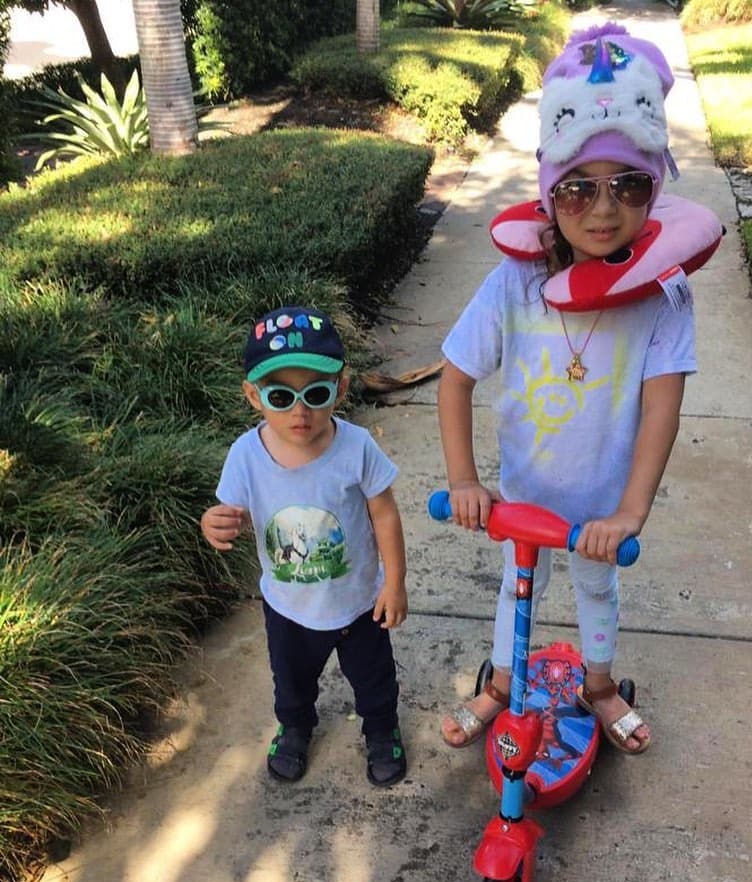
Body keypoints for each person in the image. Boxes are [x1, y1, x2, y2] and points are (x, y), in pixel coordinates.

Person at [438, 22, 698, 755]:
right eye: (578, 188)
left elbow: (661, 407)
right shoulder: (515, 284)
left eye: (630, 185)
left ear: (656, 184)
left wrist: (631, 510)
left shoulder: (665, 297)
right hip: (523, 496)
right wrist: (466, 482)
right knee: (517, 590)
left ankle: (601, 683)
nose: (604, 209)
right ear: (551, 193)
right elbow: (455, 377)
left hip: (601, 505)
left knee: (596, 590)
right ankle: (497, 687)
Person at [201, 305, 409, 787]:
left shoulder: (356, 448)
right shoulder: (245, 456)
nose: (300, 411)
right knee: (291, 681)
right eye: (281, 395)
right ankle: (295, 728)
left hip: (359, 603)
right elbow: (235, 512)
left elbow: (385, 513)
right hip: (288, 606)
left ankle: (381, 731)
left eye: (315, 393)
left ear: (339, 386)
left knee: (375, 680)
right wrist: (215, 524)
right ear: (254, 396)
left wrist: (394, 582)